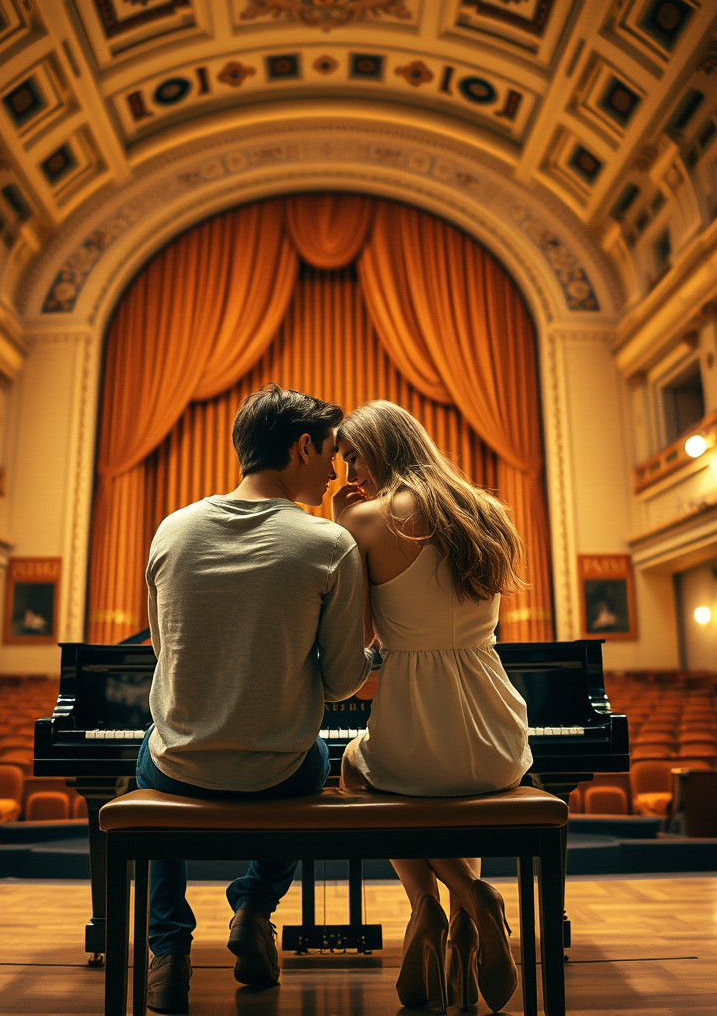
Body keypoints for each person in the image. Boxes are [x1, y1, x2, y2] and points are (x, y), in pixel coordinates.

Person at [136, 384, 372, 1014]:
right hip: (279, 775)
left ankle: (168, 950)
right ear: (302, 446)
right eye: (331, 454)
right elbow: (343, 683)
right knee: (316, 760)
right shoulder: (329, 544)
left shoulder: (172, 530)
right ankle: (254, 905)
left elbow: (163, 650)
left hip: (180, 768)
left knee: (151, 754)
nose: (335, 471)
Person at [330, 400, 533, 1014]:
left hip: (414, 728)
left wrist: (341, 526)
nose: (351, 474)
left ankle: (441, 902)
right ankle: (467, 915)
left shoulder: (367, 520)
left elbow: (362, 637)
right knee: (454, 796)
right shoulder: (485, 510)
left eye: (354, 457)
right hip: (498, 734)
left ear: (381, 448)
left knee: (356, 768)